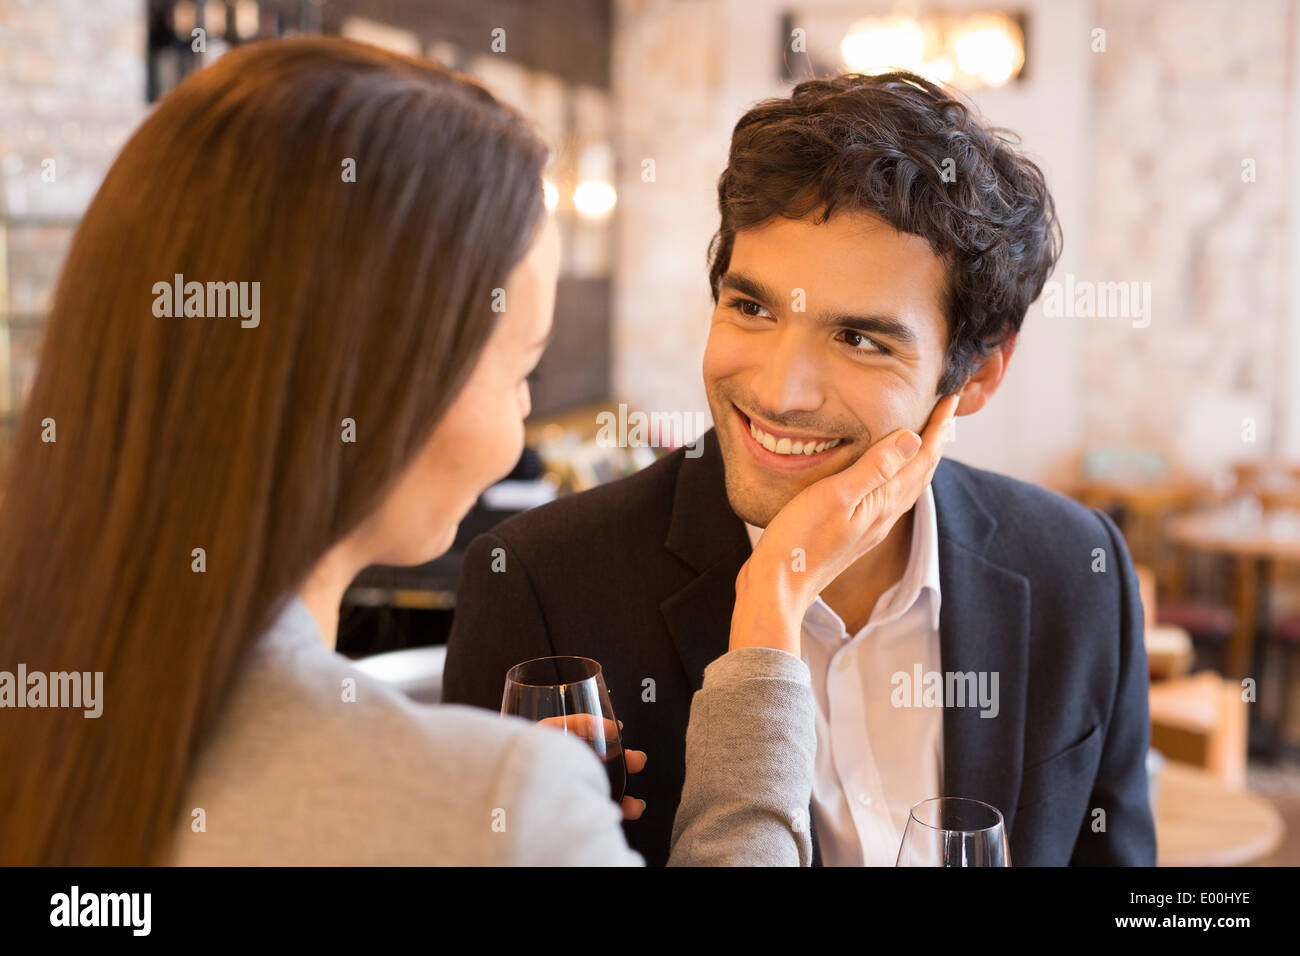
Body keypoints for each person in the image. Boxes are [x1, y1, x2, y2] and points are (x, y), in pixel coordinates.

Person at [0, 38, 948, 866]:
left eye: (861, 336)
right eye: (518, 371)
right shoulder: (492, 795)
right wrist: (771, 609)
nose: (513, 430)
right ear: (383, 387)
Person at [443, 72, 1157, 866]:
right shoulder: (542, 583)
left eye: (860, 340)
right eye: (752, 308)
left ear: (979, 373)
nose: (780, 393)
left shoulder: (1076, 567)